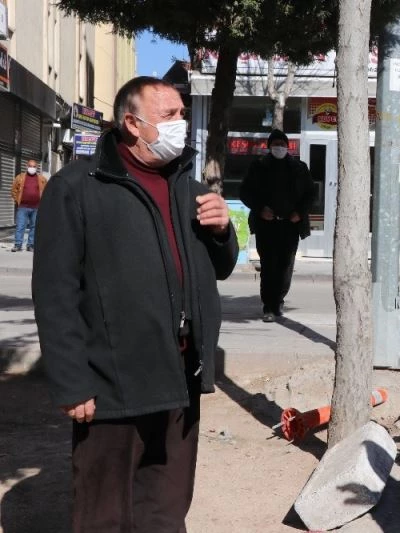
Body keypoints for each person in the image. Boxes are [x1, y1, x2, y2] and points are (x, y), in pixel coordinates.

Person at [32, 76, 238, 532]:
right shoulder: (78, 187)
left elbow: (218, 268)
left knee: (165, 506)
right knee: (105, 511)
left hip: (181, 375)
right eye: (169, 116)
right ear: (132, 122)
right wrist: (71, 382)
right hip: (112, 383)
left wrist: (224, 232)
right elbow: (54, 292)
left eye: (182, 114)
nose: (180, 124)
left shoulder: (189, 186)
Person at [240, 129, 315, 322]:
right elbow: (245, 192)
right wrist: (260, 209)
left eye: (282, 144)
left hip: (290, 225)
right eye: (275, 144)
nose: (279, 147)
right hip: (266, 225)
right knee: (268, 265)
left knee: (285, 265)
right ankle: (268, 306)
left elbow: (310, 194)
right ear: (269, 146)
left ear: (288, 146)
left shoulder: (299, 167)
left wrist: (300, 213)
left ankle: (279, 299)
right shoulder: (258, 167)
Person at [10, 159, 47, 252]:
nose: (32, 168)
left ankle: (30, 245)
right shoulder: (20, 177)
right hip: (23, 207)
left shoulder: (42, 179)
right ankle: (18, 245)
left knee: (34, 227)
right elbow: (14, 190)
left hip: (36, 207)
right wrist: (18, 200)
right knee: (20, 226)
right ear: (27, 166)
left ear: (37, 167)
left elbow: (46, 191)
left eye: (34, 166)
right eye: (30, 166)